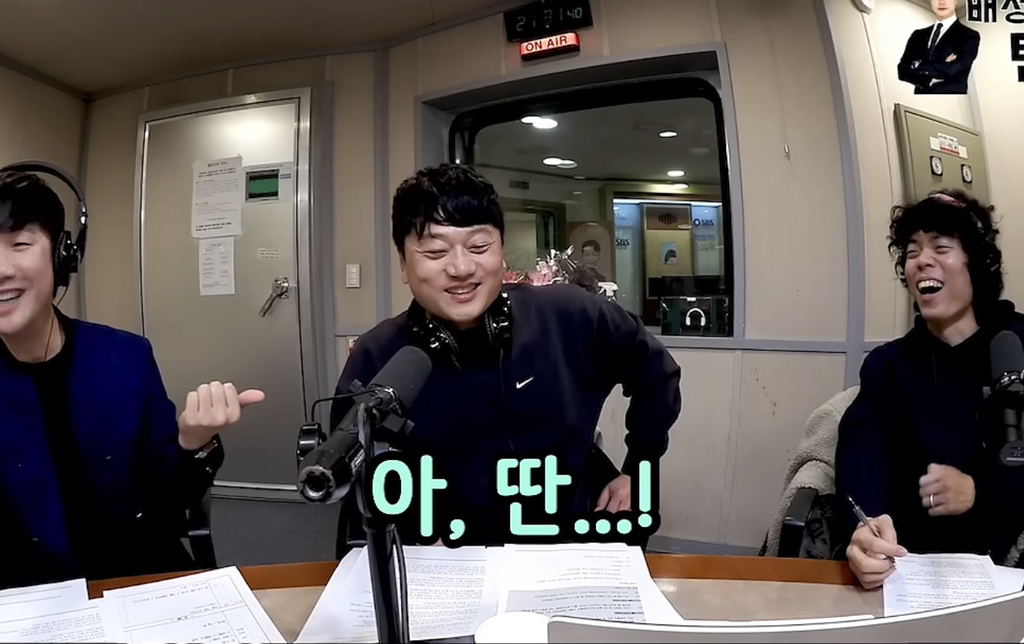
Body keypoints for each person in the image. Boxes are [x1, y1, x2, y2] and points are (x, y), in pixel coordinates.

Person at [331, 163, 681, 552]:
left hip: (567, 541)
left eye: (479, 247)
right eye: (435, 251)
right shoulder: (377, 354)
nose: (461, 268)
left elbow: (656, 374)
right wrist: (406, 534)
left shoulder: (573, 315)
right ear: (403, 263)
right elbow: (358, 475)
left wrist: (639, 468)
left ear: (501, 252)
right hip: (445, 555)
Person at [0, 169, 263, 589]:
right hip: (27, 593)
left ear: (62, 256)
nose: (2, 269)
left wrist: (192, 442)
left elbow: (172, 498)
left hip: (139, 575)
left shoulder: (126, 357)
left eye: (19, 245)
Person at [835, 190, 1024, 589]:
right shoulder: (889, 366)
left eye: (940, 247)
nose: (921, 260)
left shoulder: (1018, 346)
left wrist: (980, 490)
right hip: (912, 575)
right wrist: (865, 527)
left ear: (978, 263)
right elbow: (862, 455)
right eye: (911, 251)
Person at [897, 0, 980, 95]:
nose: (941, 2)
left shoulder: (969, 35)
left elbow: (953, 69)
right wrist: (928, 80)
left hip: (951, 96)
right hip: (921, 97)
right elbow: (902, 70)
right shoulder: (918, 35)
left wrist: (918, 65)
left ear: (955, 1)